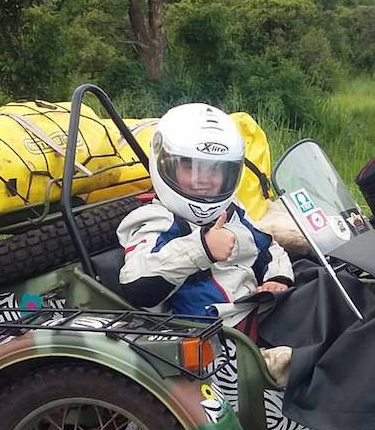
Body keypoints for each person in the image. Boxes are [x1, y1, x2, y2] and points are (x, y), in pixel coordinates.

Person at [116, 103, 294, 381]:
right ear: (166, 165)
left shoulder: (233, 210)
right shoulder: (154, 219)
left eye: (215, 171)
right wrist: (202, 249)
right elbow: (137, 283)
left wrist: (279, 277)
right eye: (190, 167)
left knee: (332, 286)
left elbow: (268, 247)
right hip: (220, 343)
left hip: (258, 312)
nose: (204, 180)